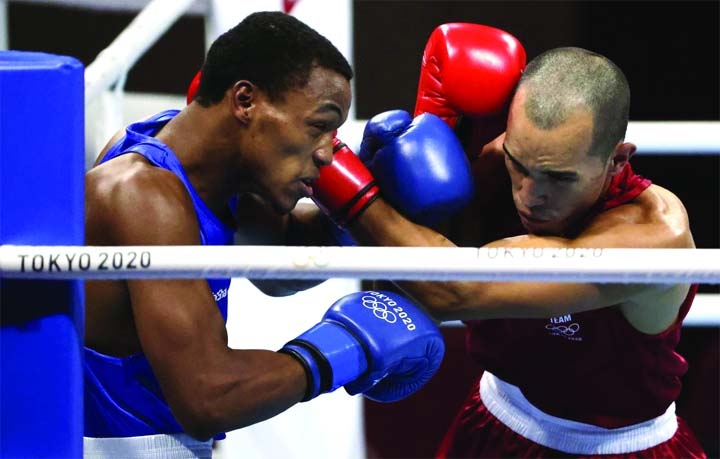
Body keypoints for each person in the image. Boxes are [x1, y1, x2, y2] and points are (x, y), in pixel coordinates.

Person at [308, 22, 708, 458]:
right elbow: (416, 238)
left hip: (621, 448)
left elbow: (453, 290)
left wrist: (353, 194)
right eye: (520, 165)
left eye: (559, 178)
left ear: (617, 161)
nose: (529, 194)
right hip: (493, 422)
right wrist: (397, 175)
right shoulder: (502, 161)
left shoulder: (654, 236)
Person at [82, 11, 446, 459]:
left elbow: (277, 266)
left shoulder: (196, 162)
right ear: (245, 101)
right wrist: (342, 350)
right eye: (319, 125)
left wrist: (365, 204)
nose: (329, 155)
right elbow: (208, 396)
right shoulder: (143, 196)